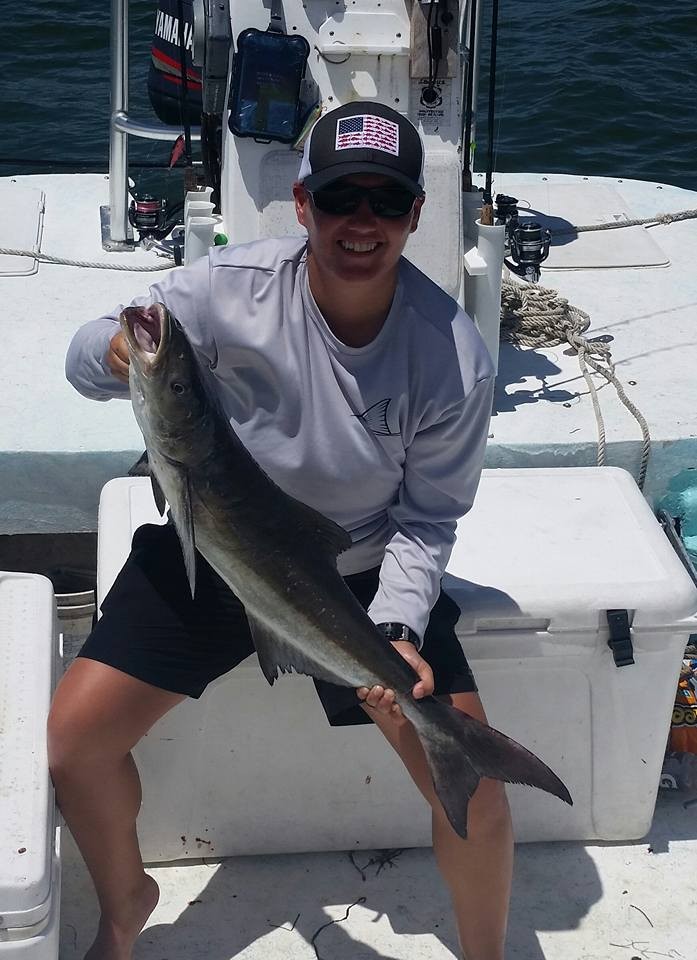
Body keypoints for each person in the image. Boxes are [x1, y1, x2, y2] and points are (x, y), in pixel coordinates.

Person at [49, 100, 510, 960]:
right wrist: (115, 353)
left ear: (415, 214)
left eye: (383, 202)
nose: (360, 223)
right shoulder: (227, 291)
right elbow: (85, 356)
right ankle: (126, 905)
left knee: (476, 793)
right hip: (206, 542)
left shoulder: (449, 353)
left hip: (359, 578)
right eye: (340, 199)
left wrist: (398, 626)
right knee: (74, 744)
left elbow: (430, 515)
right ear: (303, 206)